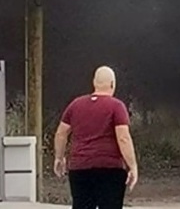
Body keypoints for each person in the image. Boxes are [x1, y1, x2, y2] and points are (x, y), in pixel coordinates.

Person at [53, 66, 139, 209]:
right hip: (109, 169)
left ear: (94, 82)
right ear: (113, 84)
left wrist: (59, 157)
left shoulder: (75, 104)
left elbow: (61, 133)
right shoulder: (116, 106)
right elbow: (123, 137)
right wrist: (133, 166)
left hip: (80, 169)